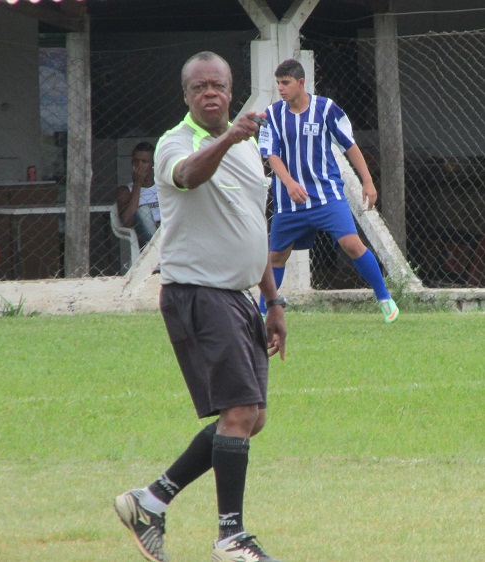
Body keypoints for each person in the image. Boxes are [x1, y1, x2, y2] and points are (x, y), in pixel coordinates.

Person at [114, 51, 287, 562]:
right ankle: (231, 537)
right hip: (200, 293)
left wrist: (274, 300)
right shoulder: (177, 142)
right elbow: (187, 176)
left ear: (231, 91)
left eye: (218, 85)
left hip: (240, 297)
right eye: (199, 87)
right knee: (238, 411)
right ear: (186, 96)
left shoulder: (246, 151)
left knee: (251, 418)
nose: (209, 92)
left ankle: (151, 500)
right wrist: (229, 136)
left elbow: (252, 227)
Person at [258, 59, 399, 323]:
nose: (281, 88)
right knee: (276, 256)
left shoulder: (326, 109)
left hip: (326, 196)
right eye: (278, 83)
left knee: (352, 244)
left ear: (301, 83)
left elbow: (350, 145)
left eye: (285, 83)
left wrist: (368, 181)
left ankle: (384, 298)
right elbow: (271, 155)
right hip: (290, 202)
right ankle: (262, 312)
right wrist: (289, 183)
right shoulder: (272, 114)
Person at [116, 141, 160, 250]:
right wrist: (137, 184)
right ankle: (157, 249)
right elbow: (127, 222)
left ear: (153, 164)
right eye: (136, 161)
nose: (139, 165)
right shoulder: (125, 190)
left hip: (168, 230)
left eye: (144, 161)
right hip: (146, 238)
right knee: (143, 211)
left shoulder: (163, 187)